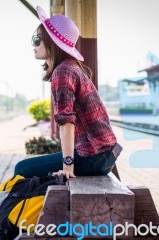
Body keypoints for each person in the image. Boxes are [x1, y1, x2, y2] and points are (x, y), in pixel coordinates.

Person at [14, 6, 121, 180]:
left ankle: (48, 208)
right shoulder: (70, 67)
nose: (33, 44)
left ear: (51, 42)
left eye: (37, 39)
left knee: (22, 169)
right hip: (104, 153)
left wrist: (67, 166)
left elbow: (66, 124)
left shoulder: (62, 72)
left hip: (93, 156)